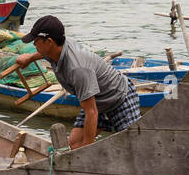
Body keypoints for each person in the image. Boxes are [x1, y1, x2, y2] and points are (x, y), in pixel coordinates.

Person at [10, 15, 141, 149]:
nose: (34, 44)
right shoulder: (57, 47)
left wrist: (86, 150)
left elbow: (91, 112)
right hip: (95, 100)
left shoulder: (77, 68)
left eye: (36, 41)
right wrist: (30, 58)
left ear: (49, 42)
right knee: (74, 145)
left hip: (119, 97)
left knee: (133, 148)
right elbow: (44, 53)